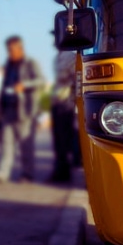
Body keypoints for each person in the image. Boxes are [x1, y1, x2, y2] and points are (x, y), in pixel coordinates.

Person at [0, 36, 45, 183]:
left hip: (24, 111)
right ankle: (2, 174)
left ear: (20, 49)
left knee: (26, 146)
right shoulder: (8, 65)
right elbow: (4, 86)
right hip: (8, 110)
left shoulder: (31, 63)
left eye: (11, 50)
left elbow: (41, 80)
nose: (9, 53)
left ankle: (28, 174)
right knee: (6, 144)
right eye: (8, 50)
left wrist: (24, 85)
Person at [49, 47, 78, 183]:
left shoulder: (70, 56)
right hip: (57, 101)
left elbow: (76, 77)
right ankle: (60, 170)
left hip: (67, 103)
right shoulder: (57, 58)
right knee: (58, 140)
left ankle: (64, 171)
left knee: (65, 139)